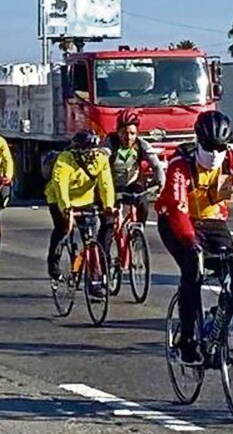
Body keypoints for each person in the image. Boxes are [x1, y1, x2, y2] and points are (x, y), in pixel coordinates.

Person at [154, 110, 233, 365]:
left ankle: (217, 328)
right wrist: (190, 242)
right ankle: (187, 340)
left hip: (212, 219)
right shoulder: (180, 163)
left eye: (220, 147)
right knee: (193, 270)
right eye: (209, 146)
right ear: (198, 141)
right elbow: (178, 208)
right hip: (175, 220)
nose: (215, 153)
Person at [44, 130, 116, 298]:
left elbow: (106, 184)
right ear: (77, 150)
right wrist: (66, 209)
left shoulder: (101, 159)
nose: (91, 154)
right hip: (59, 199)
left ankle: (94, 281)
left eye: (94, 150)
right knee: (63, 229)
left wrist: (108, 206)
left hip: (85, 199)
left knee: (90, 240)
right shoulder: (64, 160)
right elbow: (60, 186)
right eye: (87, 150)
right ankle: (53, 264)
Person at [105, 109, 166, 212]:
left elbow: (156, 165)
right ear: (118, 131)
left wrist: (160, 182)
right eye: (124, 133)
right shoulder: (110, 143)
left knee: (143, 204)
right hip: (110, 186)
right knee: (108, 223)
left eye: (132, 133)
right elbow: (103, 155)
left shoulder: (141, 145)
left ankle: (140, 226)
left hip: (132, 185)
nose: (128, 138)